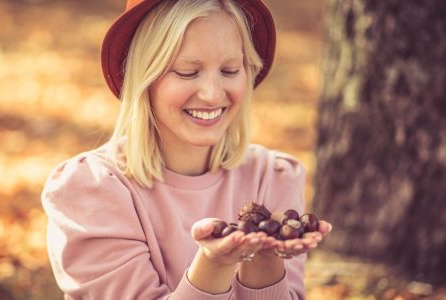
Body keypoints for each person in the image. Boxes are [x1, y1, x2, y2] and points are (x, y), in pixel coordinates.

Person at [42, 0, 332, 299]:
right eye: (187, 72)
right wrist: (214, 264)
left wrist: (266, 259)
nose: (212, 94)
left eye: (230, 70)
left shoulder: (274, 177)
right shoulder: (91, 191)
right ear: (144, 77)